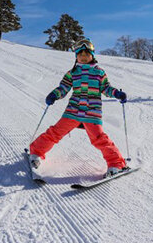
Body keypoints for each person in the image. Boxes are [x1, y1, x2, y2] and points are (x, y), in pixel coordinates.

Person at [29, 38, 129, 177]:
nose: (83, 57)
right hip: (73, 111)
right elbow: (63, 88)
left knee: (99, 138)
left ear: (92, 55)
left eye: (86, 55)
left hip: (92, 113)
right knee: (55, 132)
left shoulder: (99, 73)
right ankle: (36, 152)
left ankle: (116, 164)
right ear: (76, 56)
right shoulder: (72, 73)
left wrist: (116, 93)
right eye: (80, 55)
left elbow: (106, 88)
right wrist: (54, 95)